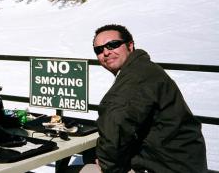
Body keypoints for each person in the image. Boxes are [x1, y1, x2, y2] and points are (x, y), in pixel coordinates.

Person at [80, 24, 207, 173]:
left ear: (130, 45)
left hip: (167, 166)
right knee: (89, 155)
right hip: (175, 160)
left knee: (87, 169)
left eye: (113, 45)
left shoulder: (136, 77)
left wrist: (106, 165)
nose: (106, 52)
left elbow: (116, 120)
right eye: (99, 50)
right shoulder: (142, 68)